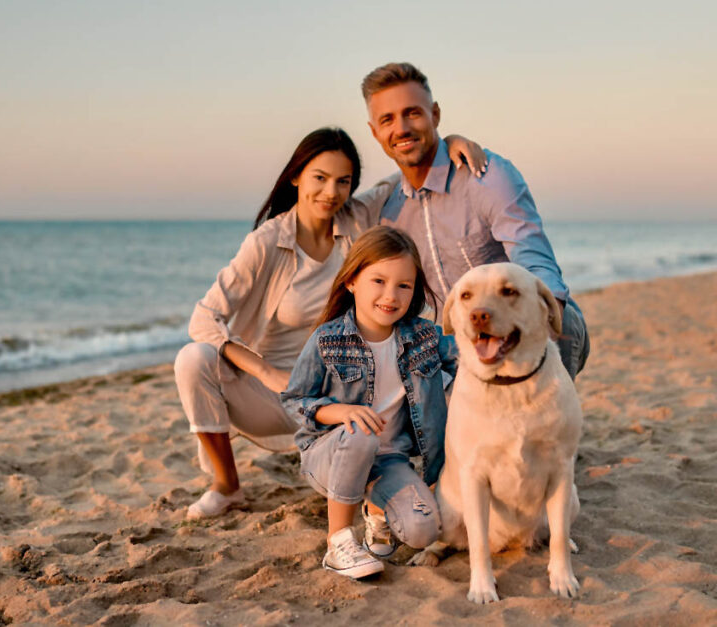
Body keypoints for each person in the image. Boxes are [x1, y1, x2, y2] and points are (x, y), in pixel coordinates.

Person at [174, 127, 483, 520]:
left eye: (343, 181)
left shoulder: (357, 219)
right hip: (280, 394)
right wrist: (265, 371)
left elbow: (405, 173)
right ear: (296, 175)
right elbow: (204, 317)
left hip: (348, 395)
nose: (331, 192)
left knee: (435, 374)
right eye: (319, 177)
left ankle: (396, 479)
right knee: (193, 359)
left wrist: (448, 142)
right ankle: (226, 485)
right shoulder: (267, 242)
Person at [362, 62, 589, 378]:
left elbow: (537, 265)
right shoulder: (388, 212)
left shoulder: (488, 175)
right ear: (375, 132)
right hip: (458, 349)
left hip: (519, 332)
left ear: (435, 115)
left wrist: (542, 338)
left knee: (555, 330)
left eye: (412, 113)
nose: (401, 128)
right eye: (387, 119)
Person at [280, 226, 454, 578]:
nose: (391, 295)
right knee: (360, 432)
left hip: (389, 460)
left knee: (422, 531)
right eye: (378, 280)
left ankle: (376, 511)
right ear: (351, 281)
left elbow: (471, 361)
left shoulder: (424, 337)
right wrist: (341, 412)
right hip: (330, 453)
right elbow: (295, 400)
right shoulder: (328, 339)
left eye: (404, 285)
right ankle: (339, 544)